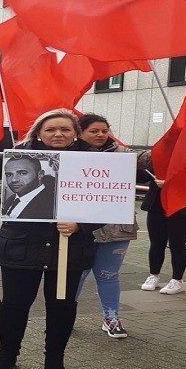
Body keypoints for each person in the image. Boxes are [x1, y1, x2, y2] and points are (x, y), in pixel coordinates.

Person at [0, 108, 102, 369]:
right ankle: (7, 356)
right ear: (38, 132)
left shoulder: (97, 163)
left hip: (69, 248)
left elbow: (110, 205)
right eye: (50, 129)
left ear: (76, 133)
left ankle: (54, 359)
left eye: (65, 129)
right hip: (20, 247)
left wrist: (81, 225)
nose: (58, 134)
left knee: (62, 306)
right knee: (14, 305)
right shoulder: (16, 159)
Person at [73, 114, 138, 338]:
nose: (101, 135)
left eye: (104, 130)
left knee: (109, 274)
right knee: (76, 274)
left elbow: (149, 161)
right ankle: (64, 317)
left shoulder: (124, 155)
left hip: (116, 229)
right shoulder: (68, 154)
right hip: (78, 229)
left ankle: (111, 318)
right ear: (80, 132)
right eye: (94, 131)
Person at [139, 155, 186, 295]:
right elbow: (141, 177)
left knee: (177, 245)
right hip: (157, 206)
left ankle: (177, 280)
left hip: (182, 209)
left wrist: (171, 184)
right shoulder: (161, 158)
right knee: (156, 243)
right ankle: (153, 275)